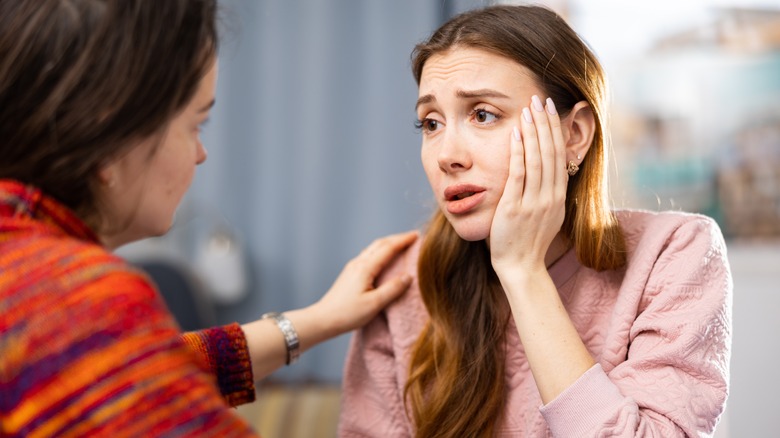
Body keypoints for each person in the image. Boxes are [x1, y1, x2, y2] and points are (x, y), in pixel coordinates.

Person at [0, 1, 417, 436]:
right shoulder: (71, 302)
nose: (201, 154)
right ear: (109, 135)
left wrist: (322, 318)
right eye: (195, 125)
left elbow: (154, 369)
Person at [339, 4, 732, 437]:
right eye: (431, 123)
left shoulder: (673, 253)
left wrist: (523, 272)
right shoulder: (401, 281)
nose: (447, 155)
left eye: (483, 114)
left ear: (574, 134)